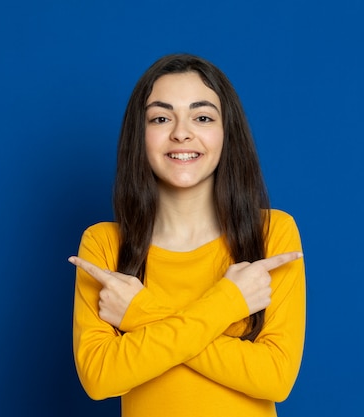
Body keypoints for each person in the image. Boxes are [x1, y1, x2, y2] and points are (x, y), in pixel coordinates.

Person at [69, 53, 306, 417]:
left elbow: (275, 377)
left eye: (202, 117)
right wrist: (228, 302)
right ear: (140, 135)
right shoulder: (104, 244)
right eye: (161, 118)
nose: (181, 132)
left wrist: (141, 313)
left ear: (227, 133)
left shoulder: (271, 234)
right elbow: (100, 377)